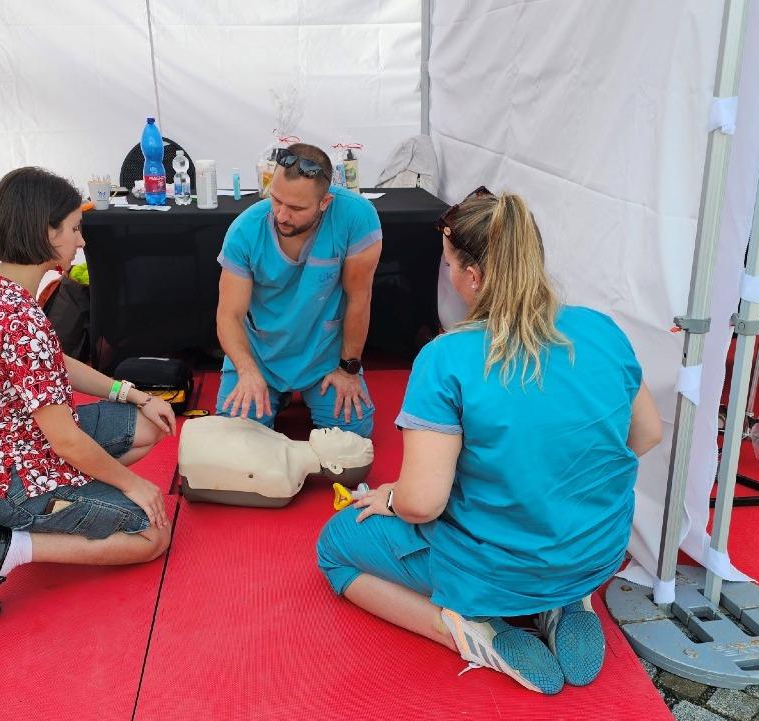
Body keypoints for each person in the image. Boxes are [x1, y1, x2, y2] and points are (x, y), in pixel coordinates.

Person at [315, 188, 662, 694]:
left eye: (449, 265)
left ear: (472, 278)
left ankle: (465, 629)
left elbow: (421, 503)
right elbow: (647, 435)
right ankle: (565, 599)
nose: (449, 276)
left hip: (496, 568)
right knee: (535, 521)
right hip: (596, 550)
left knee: (335, 547)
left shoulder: (447, 358)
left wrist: (388, 496)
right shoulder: (601, 330)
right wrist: (553, 483)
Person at [0, 166, 176, 618]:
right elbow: (65, 440)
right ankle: (12, 545)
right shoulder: (21, 321)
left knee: (147, 425)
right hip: (10, 482)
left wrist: (132, 393)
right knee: (152, 534)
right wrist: (133, 486)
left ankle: (76, 500)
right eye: (74, 229)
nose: (81, 241)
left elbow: (51, 360)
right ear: (45, 233)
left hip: (9, 451)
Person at [215, 142, 382, 438]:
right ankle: (273, 396)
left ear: (325, 202)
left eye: (295, 208)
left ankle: (304, 395)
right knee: (235, 440)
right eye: (276, 200)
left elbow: (360, 298)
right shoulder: (245, 230)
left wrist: (348, 369)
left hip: (323, 354)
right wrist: (247, 370)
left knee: (353, 438)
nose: (280, 215)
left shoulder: (357, 217)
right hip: (261, 355)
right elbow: (229, 315)